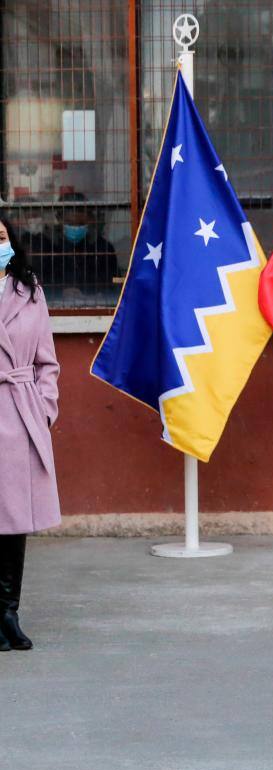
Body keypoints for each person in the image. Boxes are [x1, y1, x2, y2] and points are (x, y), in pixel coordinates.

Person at [0, 217, 62, 652]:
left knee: (14, 520)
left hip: (19, 415)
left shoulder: (30, 291)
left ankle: (8, 612)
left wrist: (43, 409)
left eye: (0, 237)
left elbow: (47, 362)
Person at [30, 192, 120, 306]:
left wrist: (92, 294)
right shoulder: (45, 246)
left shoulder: (103, 247)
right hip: (53, 307)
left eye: (81, 224)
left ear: (90, 219)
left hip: (94, 307)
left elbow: (113, 284)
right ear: (59, 218)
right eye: (70, 223)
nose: (75, 228)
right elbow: (34, 283)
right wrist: (60, 292)